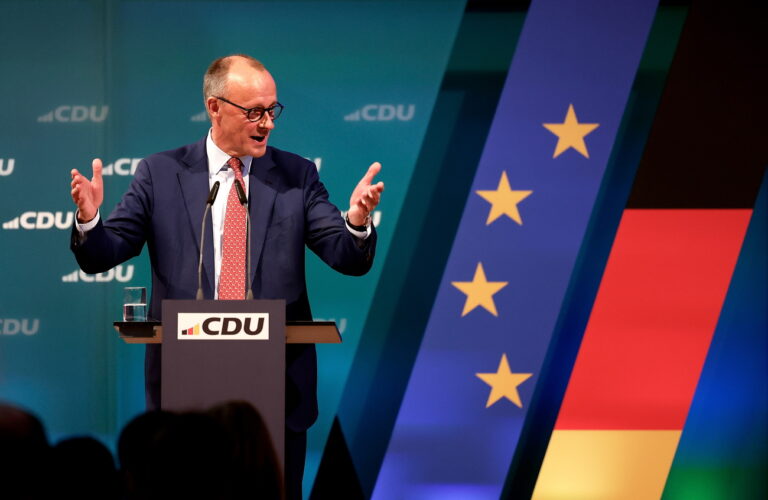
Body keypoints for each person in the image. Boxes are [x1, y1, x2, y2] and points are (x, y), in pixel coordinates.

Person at [69, 54, 384, 499]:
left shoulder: (297, 176)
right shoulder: (160, 173)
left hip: (278, 388)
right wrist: (89, 219)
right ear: (215, 107)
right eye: (253, 111)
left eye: (272, 110)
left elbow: (345, 256)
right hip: (184, 391)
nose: (267, 123)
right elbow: (104, 253)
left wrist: (355, 221)